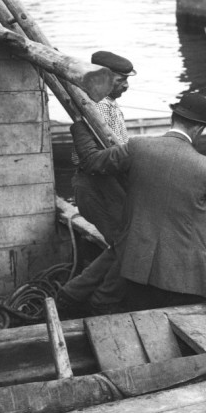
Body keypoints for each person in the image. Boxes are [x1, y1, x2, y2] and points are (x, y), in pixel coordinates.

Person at [61, 92, 206, 315]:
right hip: (177, 270)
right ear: (199, 129)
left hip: (136, 257)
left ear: (172, 119)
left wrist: (79, 125)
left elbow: (91, 162)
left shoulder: (138, 147)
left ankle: (74, 300)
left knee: (120, 274)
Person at [57, 51, 134, 315]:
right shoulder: (97, 106)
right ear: (104, 77)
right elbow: (99, 158)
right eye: (121, 80)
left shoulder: (107, 104)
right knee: (128, 244)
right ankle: (99, 299)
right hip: (95, 185)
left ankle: (73, 294)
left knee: (123, 242)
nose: (126, 85)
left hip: (105, 184)